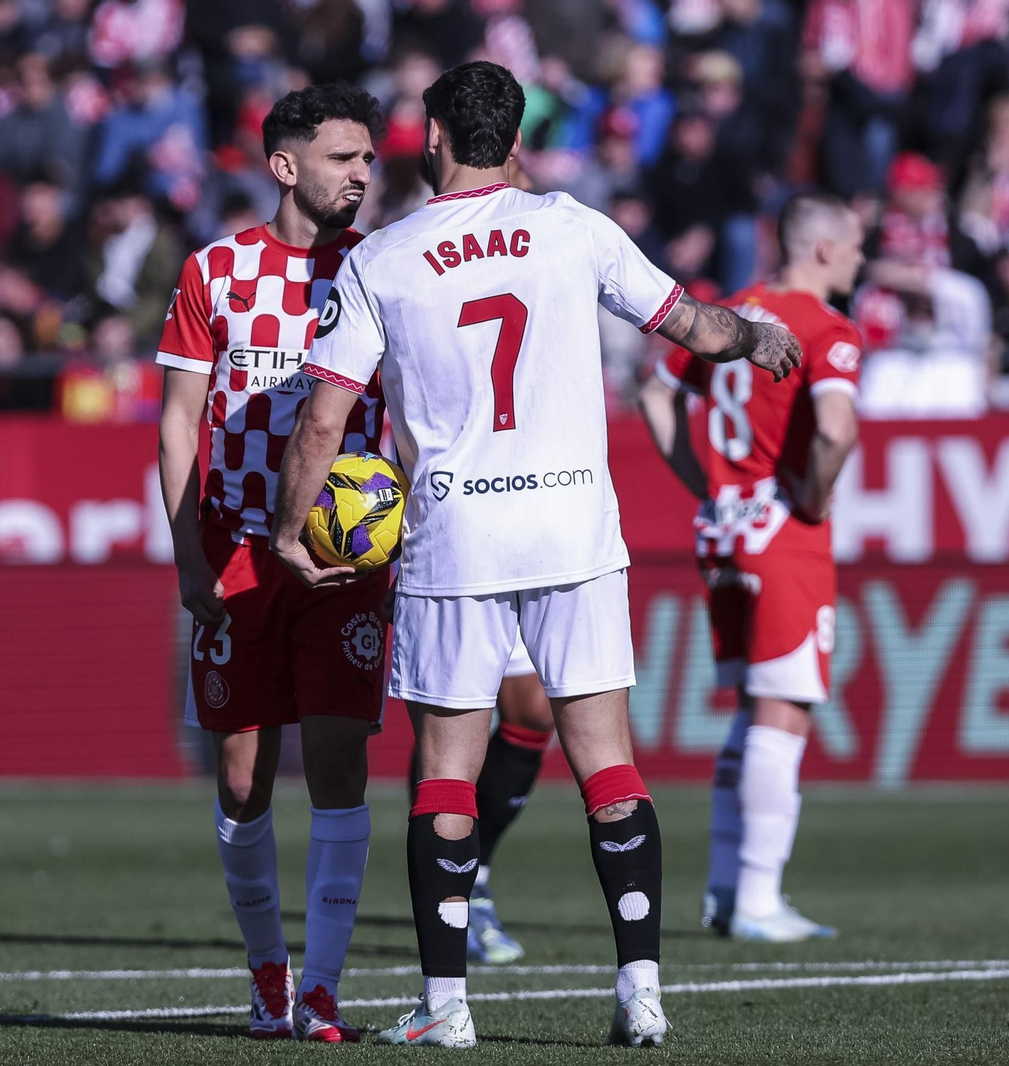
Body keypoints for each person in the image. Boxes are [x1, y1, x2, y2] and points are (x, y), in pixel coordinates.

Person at [270, 60, 801, 1049]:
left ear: (434, 138)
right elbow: (688, 324)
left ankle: (444, 1005)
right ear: (512, 141)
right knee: (609, 762)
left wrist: (289, 528)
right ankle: (640, 988)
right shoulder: (573, 229)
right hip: (571, 527)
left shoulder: (381, 257)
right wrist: (754, 335)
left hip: (454, 534)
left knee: (444, 770)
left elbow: (321, 427)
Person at [154, 83, 388, 1043]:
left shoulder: (382, 270)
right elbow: (177, 421)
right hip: (236, 552)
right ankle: (267, 975)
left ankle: (325, 986)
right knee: (242, 778)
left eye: (369, 158)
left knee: (337, 767)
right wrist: (184, 561)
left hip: (342, 562)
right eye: (345, 158)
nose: (364, 174)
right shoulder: (216, 270)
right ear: (286, 166)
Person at [638, 190, 864, 942]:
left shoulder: (730, 312)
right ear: (825, 248)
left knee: (750, 712)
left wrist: (699, 479)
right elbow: (835, 428)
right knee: (782, 711)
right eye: (856, 246)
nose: (860, 261)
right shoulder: (825, 328)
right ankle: (759, 900)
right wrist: (814, 493)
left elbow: (653, 388)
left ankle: (729, 891)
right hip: (781, 529)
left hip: (722, 526)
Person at [405, 638, 555, 965]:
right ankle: (450, 889)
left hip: (523, 584)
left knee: (535, 713)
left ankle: (475, 881)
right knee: (447, 716)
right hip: (454, 587)